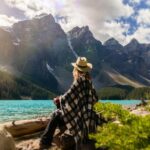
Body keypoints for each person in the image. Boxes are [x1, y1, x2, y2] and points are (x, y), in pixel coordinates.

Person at [39, 57, 99, 149]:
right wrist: (82, 104)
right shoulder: (89, 83)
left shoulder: (79, 81)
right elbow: (95, 99)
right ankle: (59, 134)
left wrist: (58, 99)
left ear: (76, 70)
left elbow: (67, 97)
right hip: (87, 118)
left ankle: (45, 142)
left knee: (56, 114)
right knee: (61, 109)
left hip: (79, 119)